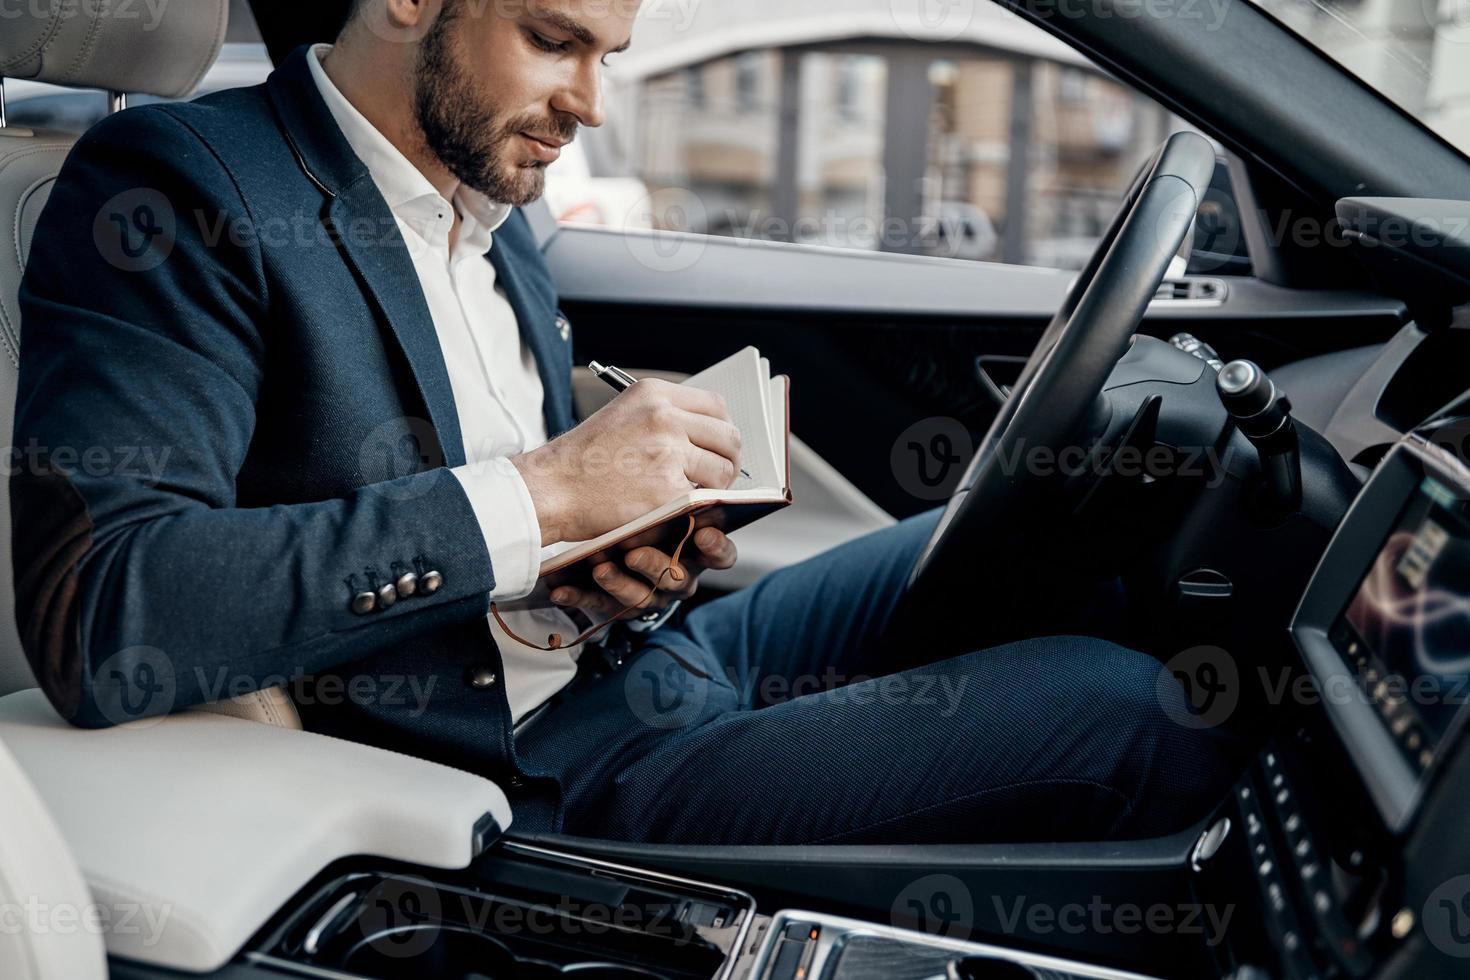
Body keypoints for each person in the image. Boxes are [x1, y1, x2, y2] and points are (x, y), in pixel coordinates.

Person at [13, 0, 1233, 844]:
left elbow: (504, 534)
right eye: (553, 40)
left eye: (612, 50)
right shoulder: (179, 186)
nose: (589, 100)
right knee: (1131, 708)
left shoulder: (495, 194)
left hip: (633, 649)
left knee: (1039, 548)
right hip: (541, 763)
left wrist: (609, 558)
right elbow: (110, 608)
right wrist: (548, 495)